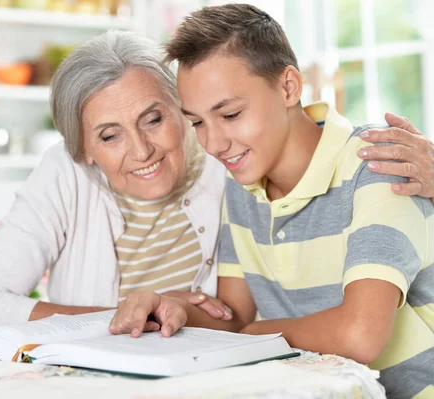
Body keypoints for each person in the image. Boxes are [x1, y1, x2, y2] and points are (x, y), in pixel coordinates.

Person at [0, 31, 434, 337]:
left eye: (154, 118)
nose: (142, 151)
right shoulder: (65, 173)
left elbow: (238, 318)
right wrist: (129, 315)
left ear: (179, 112)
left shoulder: (230, 164)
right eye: (108, 135)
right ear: (83, 149)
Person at [108, 5, 433, 399]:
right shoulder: (243, 183)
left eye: (230, 114)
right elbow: (235, 314)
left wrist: (256, 335)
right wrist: (171, 309)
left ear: (288, 87)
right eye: (197, 122)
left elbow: (360, 334)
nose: (213, 143)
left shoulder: (380, 163)